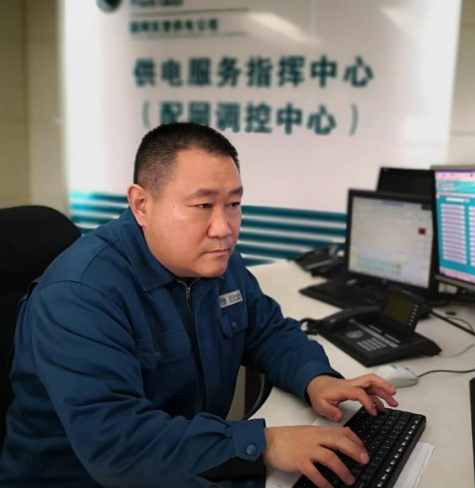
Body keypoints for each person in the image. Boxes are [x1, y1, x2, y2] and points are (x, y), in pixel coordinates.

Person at [0, 123, 397, 488]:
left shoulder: (214, 260)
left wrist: (316, 379)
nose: (224, 229)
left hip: (187, 459)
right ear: (141, 204)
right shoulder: (80, 294)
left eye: (234, 204)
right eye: (203, 206)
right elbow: (117, 445)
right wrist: (265, 443)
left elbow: (266, 330)